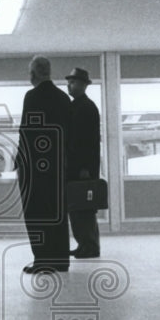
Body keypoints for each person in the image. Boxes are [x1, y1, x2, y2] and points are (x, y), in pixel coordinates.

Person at [15, 55, 72, 274]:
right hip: (57, 165)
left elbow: (27, 131)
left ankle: (42, 259)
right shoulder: (63, 98)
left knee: (36, 213)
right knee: (57, 213)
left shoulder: (32, 96)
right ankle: (61, 260)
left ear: (33, 74)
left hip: (35, 166)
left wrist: (21, 160)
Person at [65, 67, 101, 259]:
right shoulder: (79, 106)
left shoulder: (85, 107)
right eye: (69, 82)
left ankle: (90, 246)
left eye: (73, 82)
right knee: (79, 207)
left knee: (83, 208)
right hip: (78, 166)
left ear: (84, 85)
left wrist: (85, 168)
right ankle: (84, 244)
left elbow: (87, 142)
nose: (69, 85)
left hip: (82, 168)